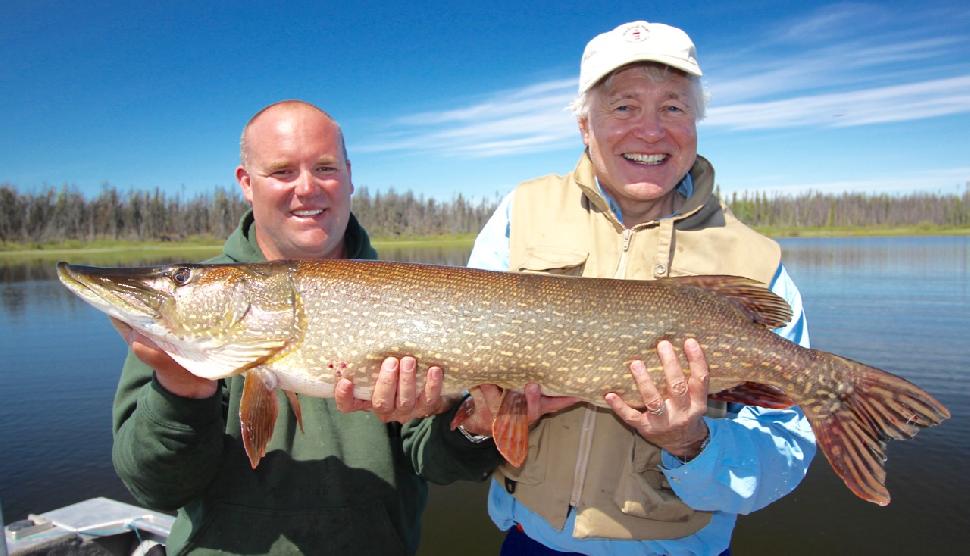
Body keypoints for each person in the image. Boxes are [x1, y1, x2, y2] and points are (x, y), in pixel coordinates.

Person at [467, 21, 817, 555]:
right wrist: (474, 417)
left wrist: (692, 443)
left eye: (673, 107)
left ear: (695, 123)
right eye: (624, 107)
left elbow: (786, 451)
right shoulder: (522, 212)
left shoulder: (752, 259)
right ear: (585, 125)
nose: (650, 131)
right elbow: (466, 368)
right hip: (529, 540)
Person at [110, 100, 504, 555]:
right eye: (282, 172)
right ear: (246, 183)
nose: (307, 188)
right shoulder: (199, 305)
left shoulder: (409, 296)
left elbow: (434, 462)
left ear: (350, 175)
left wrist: (479, 425)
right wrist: (181, 390)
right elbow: (155, 487)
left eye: (325, 167)